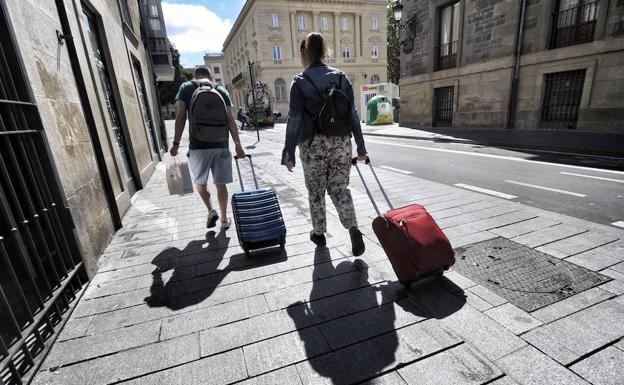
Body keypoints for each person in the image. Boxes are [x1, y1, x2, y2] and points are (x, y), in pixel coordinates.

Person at [282, 33, 367, 256]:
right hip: (341, 143)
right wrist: (361, 146)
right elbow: (353, 114)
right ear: (323, 50)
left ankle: (319, 233)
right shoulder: (341, 77)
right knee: (339, 189)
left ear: (304, 53)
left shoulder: (300, 81)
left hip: (313, 145)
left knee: (316, 192)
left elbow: (295, 117)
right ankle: (353, 228)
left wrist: (288, 150)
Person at [171, 66, 245, 229]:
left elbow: (181, 116)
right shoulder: (221, 90)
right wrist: (238, 146)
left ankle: (211, 211)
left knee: (201, 183)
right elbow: (231, 120)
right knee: (221, 184)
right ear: (210, 77)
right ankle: (225, 220)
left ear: (195, 76)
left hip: (198, 145)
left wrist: (176, 144)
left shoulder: (186, 87)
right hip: (221, 144)